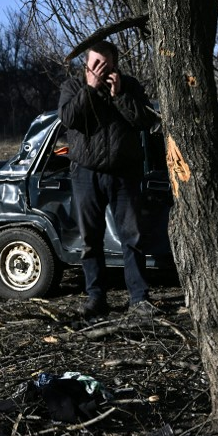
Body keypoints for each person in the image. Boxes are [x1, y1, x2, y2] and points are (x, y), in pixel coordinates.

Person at [58, 41, 160, 319]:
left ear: (115, 65)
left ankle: (138, 298)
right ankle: (96, 297)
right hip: (86, 173)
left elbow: (145, 121)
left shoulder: (130, 86)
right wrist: (90, 89)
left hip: (124, 172)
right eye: (94, 64)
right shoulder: (73, 87)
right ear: (86, 64)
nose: (98, 70)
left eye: (104, 65)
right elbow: (68, 119)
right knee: (90, 238)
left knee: (133, 237)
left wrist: (119, 95)